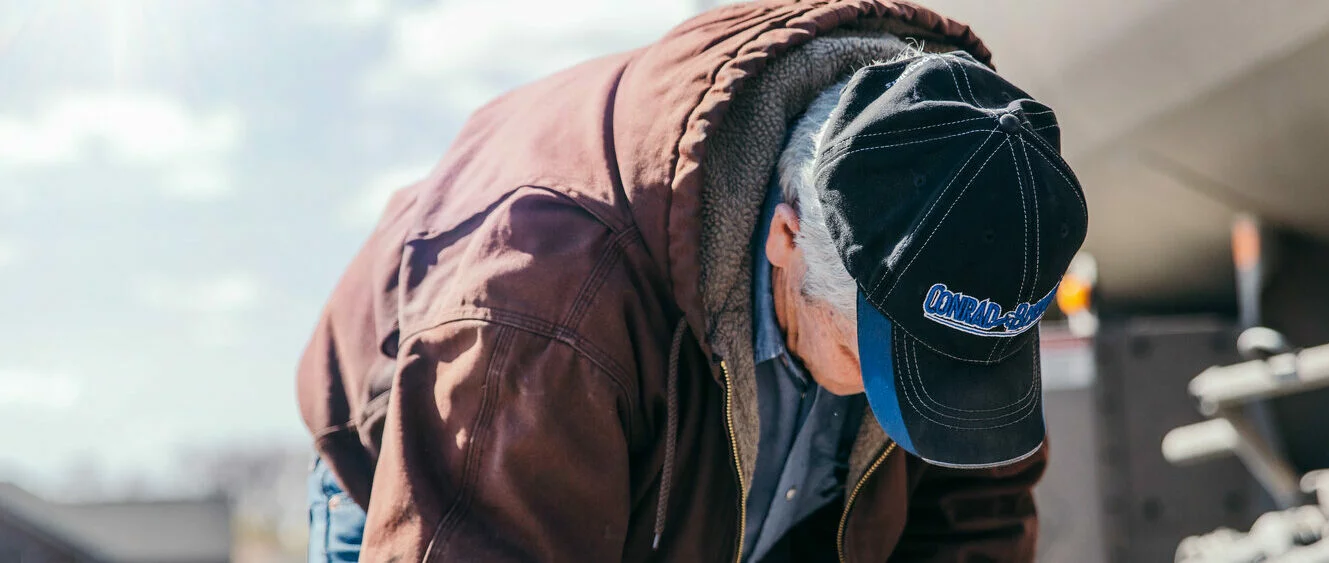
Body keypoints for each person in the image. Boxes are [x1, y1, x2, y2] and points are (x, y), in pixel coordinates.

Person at [296, 1, 1087, 561]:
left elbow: (972, 513)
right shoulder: (543, 300)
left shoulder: (970, 234)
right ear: (786, 238)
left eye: (955, 367)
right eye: (878, 361)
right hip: (449, 471)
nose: (915, 397)